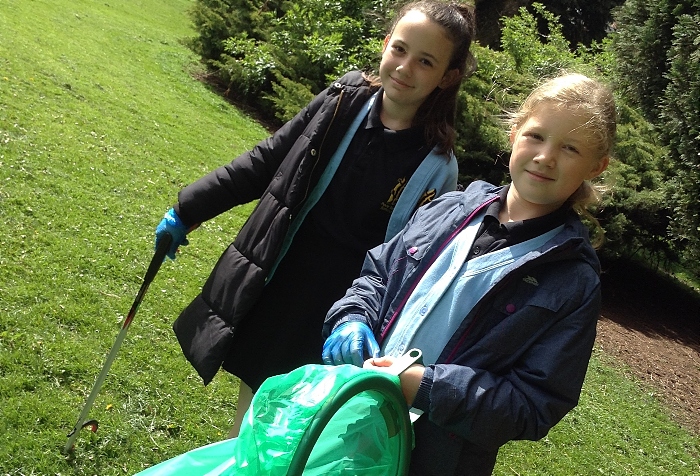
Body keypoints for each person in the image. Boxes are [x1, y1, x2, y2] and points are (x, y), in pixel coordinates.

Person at [154, 0, 478, 437]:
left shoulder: (439, 167)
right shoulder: (340, 103)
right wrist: (188, 209)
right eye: (399, 50)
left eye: (425, 61)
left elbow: (409, 265)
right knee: (255, 415)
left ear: (447, 77)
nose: (404, 68)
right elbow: (266, 160)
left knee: (300, 432)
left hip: (342, 316)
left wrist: (366, 322)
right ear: (386, 44)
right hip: (280, 288)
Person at [322, 72, 616, 475]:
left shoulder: (573, 282)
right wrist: (351, 317)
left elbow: (533, 403)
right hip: (342, 422)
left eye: (570, 148)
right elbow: (377, 276)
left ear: (596, 166)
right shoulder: (448, 209)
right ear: (514, 134)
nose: (546, 156)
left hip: (433, 460)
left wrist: (425, 387)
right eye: (536, 136)